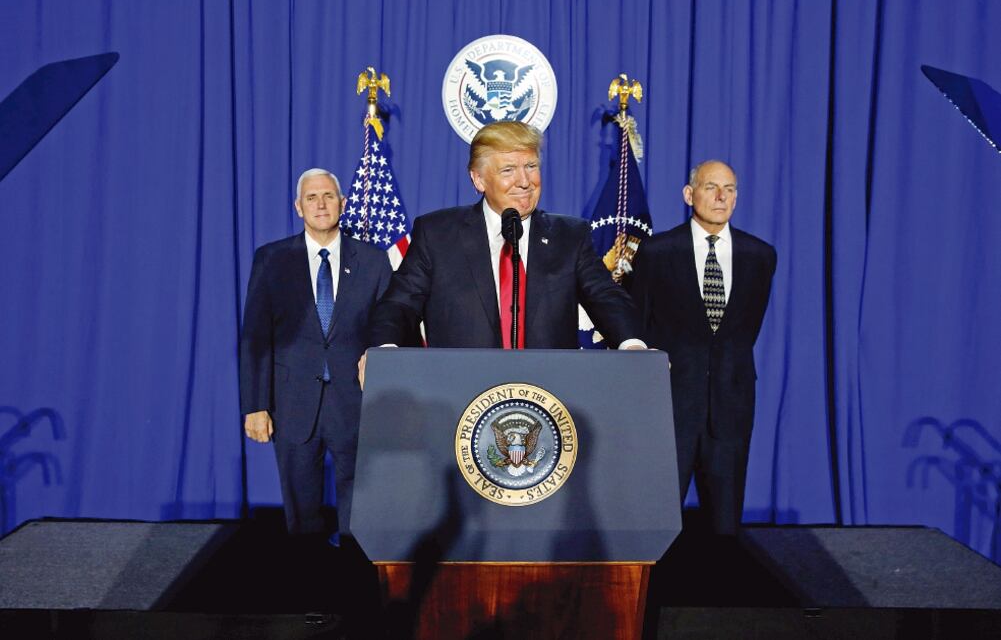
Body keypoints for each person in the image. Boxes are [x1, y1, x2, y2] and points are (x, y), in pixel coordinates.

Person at [362, 120, 642, 363]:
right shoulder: (437, 234)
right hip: (460, 398)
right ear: (479, 179)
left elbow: (606, 297)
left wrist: (632, 345)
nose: (524, 181)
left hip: (547, 395)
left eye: (531, 166)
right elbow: (399, 304)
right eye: (508, 170)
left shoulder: (569, 236)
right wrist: (385, 352)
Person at [240, 168, 392, 542]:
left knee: (360, 512)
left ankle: (354, 589)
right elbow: (256, 338)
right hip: (292, 404)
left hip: (355, 403)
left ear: (342, 204)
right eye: (312, 197)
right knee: (302, 515)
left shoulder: (373, 260)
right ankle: (309, 587)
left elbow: (388, 323)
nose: (320, 204)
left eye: (328, 196)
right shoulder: (272, 259)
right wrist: (255, 405)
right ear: (298, 207)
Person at [630, 160, 776, 535]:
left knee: (725, 528)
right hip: (671, 407)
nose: (721, 196)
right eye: (711, 187)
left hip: (731, 405)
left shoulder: (760, 256)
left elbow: (746, 330)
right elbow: (639, 325)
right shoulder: (657, 252)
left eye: (730, 189)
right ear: (689, 194)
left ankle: (720, 594)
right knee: (658, 522)